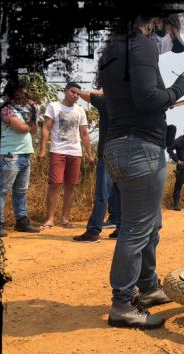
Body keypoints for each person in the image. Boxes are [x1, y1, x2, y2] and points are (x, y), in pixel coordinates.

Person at [96, 13, 184, 328]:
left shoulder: (117, 50)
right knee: (137, 231)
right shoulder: (142, 44)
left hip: (120, 146)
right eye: (172, 39)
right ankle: (123, 305)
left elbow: (132, 98)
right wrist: (181, 87)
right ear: (159, 23)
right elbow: (148, 98)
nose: (169, 46)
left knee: (150, 225)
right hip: (141, 148)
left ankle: (149, 288)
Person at [73, 85, 123, 243]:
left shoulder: (106, 101)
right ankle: (121, 229)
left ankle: (93, 231)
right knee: (120, 194)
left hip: (107, 153)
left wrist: (104, 92)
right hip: (125, 154)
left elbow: (83, 93)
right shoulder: (129, 103)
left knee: (102, 194)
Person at [40, 82, 92, 229]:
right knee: (55, 184)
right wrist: (42, 149)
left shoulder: (80, 110)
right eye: (73, 92)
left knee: (71, 186)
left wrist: (90, 155)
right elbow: (46, 128)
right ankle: (50, 218)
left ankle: (65, 219)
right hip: (58, 150)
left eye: (77, 94)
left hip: (75, 152)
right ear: (66, 91)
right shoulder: (54, 106)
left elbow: (84, 134)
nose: (75, 95)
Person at [0, 76, 42, 236]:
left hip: (23, 154)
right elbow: (21, 128)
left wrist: (34, 113)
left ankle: (22, 221)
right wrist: (30, 119)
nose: (25, 98)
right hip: (10, 153)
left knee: (21, 190)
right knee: (2, 190)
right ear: (13, 93)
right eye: (22, 94)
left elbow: (34, 130)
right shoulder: (4, 108)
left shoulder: (20, 110)